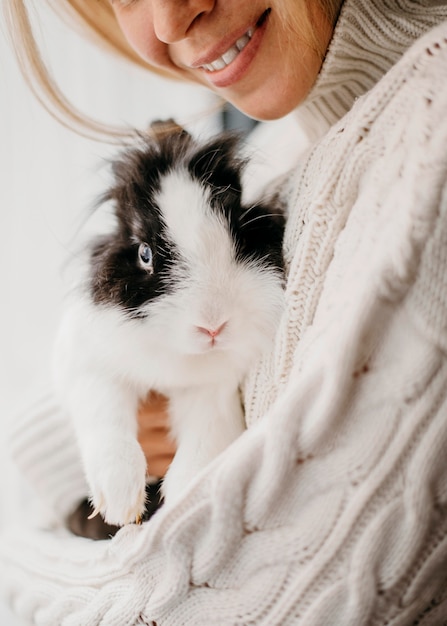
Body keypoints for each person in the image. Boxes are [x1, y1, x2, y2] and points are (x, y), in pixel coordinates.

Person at [1, 0, 447, 624]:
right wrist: (90, 424)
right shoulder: (281, 137)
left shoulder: (427, 145)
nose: (168, 21)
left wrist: (10, 557)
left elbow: (251, 598)